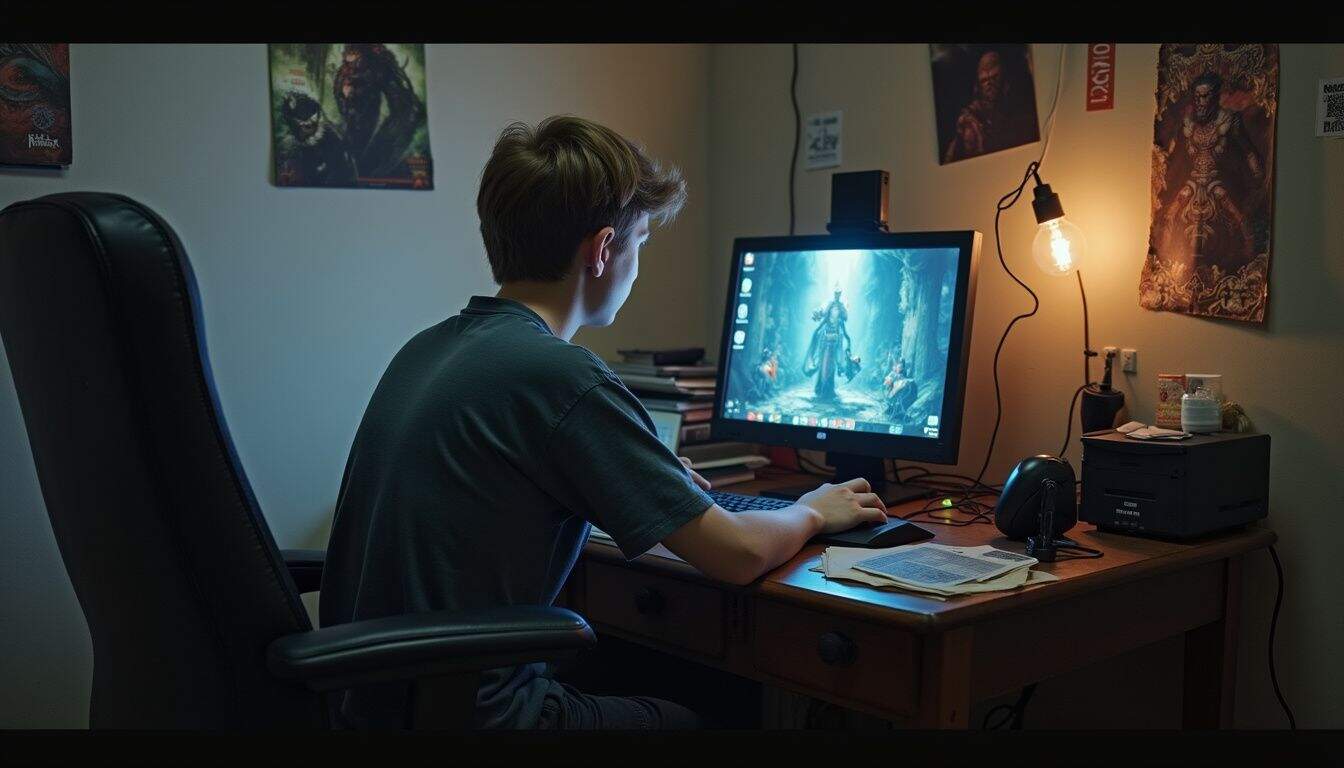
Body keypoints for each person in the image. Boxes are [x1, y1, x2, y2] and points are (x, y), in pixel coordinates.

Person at [320, 115, 889, 730]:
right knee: (703, 718)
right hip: (482, 718)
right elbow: (739, 554)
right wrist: (812, 509)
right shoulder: (563, 376)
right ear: (601, 250)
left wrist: (645, 480)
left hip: (368, 705)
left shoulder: (426, 349)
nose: (636, 264)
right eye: (639, 243)